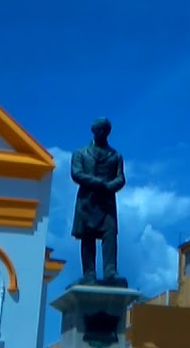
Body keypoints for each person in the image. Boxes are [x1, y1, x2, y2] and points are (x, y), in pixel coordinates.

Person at [70, 117, 127, 286]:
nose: (101, 132)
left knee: (110, 234)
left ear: (107, 132)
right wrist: (99, 183)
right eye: (98, 129)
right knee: (87, 236)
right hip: (87, 201)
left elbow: (121, 178)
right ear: (93, 131)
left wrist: (109, 187)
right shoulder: (80, 153)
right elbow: (76, 173)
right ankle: (89, 273)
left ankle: (110, 271)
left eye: (104, 130)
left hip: (107, 202)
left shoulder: (115, 156)